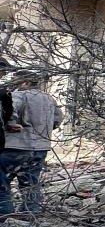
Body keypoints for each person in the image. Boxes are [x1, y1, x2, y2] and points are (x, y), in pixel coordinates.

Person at [1, 74, 63, 216]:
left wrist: (10, 125)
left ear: (25, 83)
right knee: (30, 183)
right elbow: (58, 118)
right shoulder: (49, 98)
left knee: (2, 182)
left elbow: (8, 110)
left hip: (15, 147)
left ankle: (4, 214)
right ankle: (30, 214)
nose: (14, 84)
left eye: (17, 82)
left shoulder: (19, 95)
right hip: (40, 148)